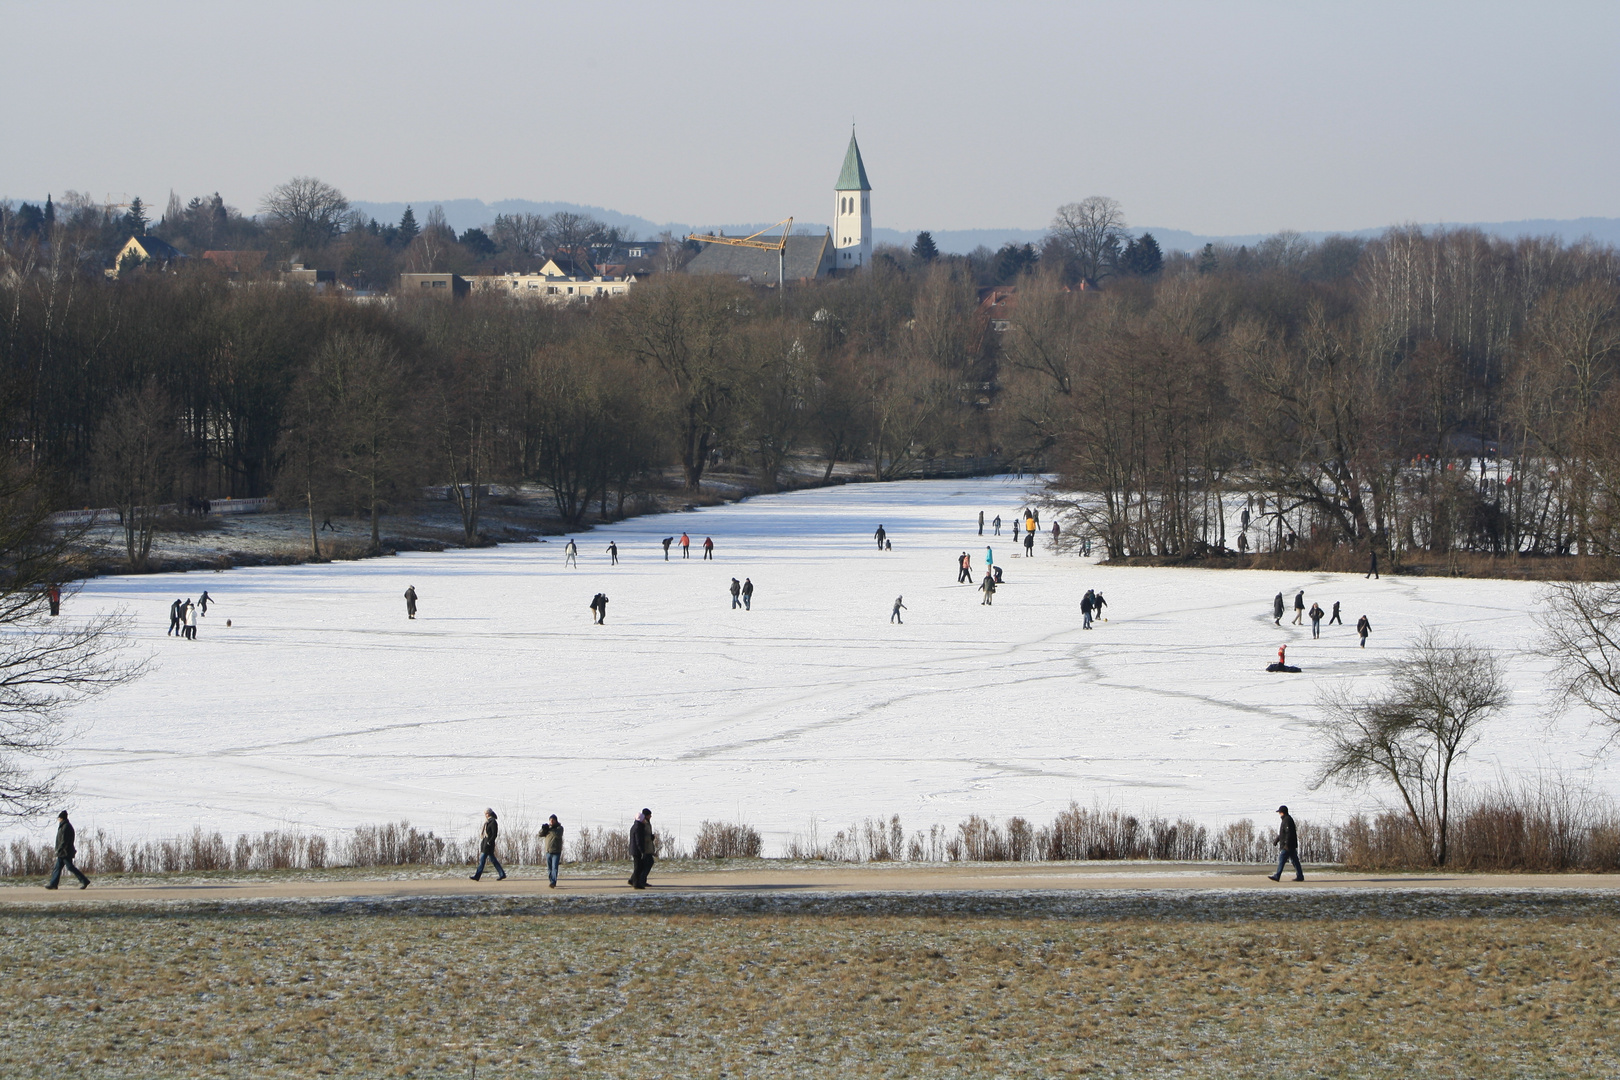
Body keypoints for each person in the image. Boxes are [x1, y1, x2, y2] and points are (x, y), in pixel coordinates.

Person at [44, 810, 89, 890]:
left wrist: (59, 849)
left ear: (62, 818)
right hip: (63, 852)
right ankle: (53, 884)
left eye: (59, 818)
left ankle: (84, 881)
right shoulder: (64, 826)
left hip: (65, 852)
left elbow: (64, 841)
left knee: (70, 867)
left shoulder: (66, 827)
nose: (58, 819)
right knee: (57, 868)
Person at [1268, 805, 1304, 882]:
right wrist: (1277, 840)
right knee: (1295, 860)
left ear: (1282, 812)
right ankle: (1300, 876)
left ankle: (1277, 876)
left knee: (1282, 859)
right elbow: (1282, 833)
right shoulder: (1286, 820)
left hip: (1288, 845)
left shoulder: (1287, 820)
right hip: (1290, 845)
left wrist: (1286, 844)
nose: (1279, 814)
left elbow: (1288, 833)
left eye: (1279, 812)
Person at [470, 808, 506, 881]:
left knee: (482, 860)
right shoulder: (487, 822)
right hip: (485, 844)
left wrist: (489, 842)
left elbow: (494, 834)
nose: (486, 815)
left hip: (488, 845)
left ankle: (477, 876)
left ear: (489, 814)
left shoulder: (493, 822)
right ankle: (502, 874)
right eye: (485, 814)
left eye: (487, 814)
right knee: (493, 860)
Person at [628, 809, 654, 889]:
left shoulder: (640, 825)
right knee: (640, 866)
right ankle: (637, 881)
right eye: (649, 815)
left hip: (643, 848)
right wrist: (642, 850)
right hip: (641, 849)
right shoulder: (639, 827)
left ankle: (635, 880)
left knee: (641, 866)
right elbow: (639, 839)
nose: (651, 816)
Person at [540, 815, 564, 888]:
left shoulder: (559, 828)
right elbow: (540, 834)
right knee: (549, 868)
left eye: (553, 820)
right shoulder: (548, 829)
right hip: (548, 851)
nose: (551, 822)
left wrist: (550, 829)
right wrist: (544, 829)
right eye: (550, 820)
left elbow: (558, 835)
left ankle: (553, 882)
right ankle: (551, 881)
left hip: (556, 852)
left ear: (556, 821)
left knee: (554, 868)